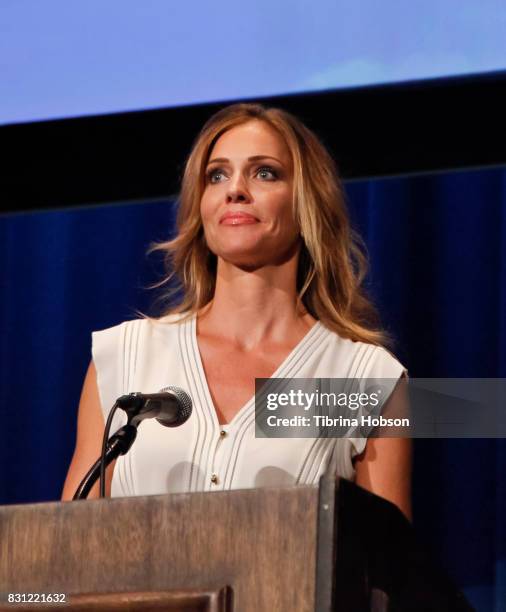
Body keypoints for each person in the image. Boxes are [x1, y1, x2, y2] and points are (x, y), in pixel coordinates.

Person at [62, 103, 411, 519]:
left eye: (265, 172)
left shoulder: (363, 378)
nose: (235, 189)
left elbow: (389, 571)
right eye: (217, 175)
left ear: (306, 204)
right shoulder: (126, 357)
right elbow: (68, 551)